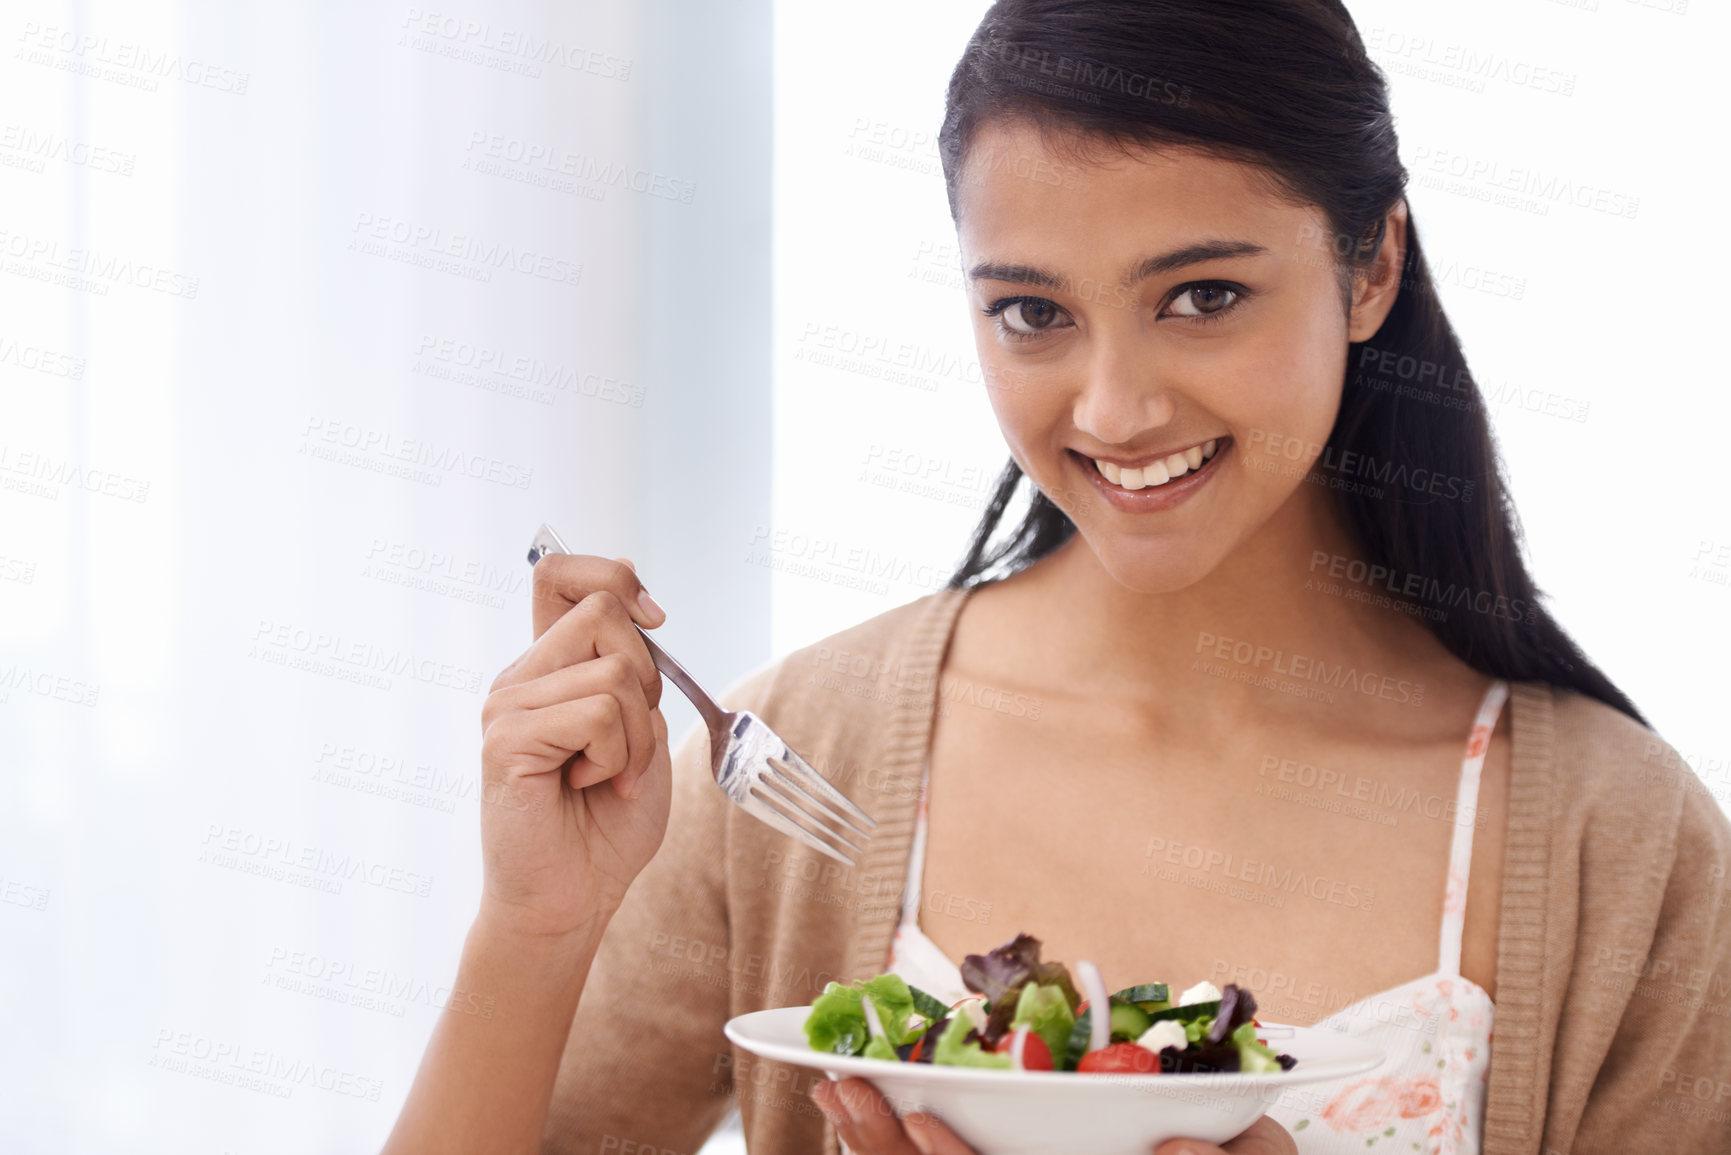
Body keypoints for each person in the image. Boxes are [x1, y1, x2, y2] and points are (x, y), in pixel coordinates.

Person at [382, 2, 1731, 1153]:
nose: (1117, 406)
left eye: (1202, 295)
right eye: (1033, 312)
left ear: (1371, 262)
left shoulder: (1619, 844)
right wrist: (535, 927)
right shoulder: (802, 762)